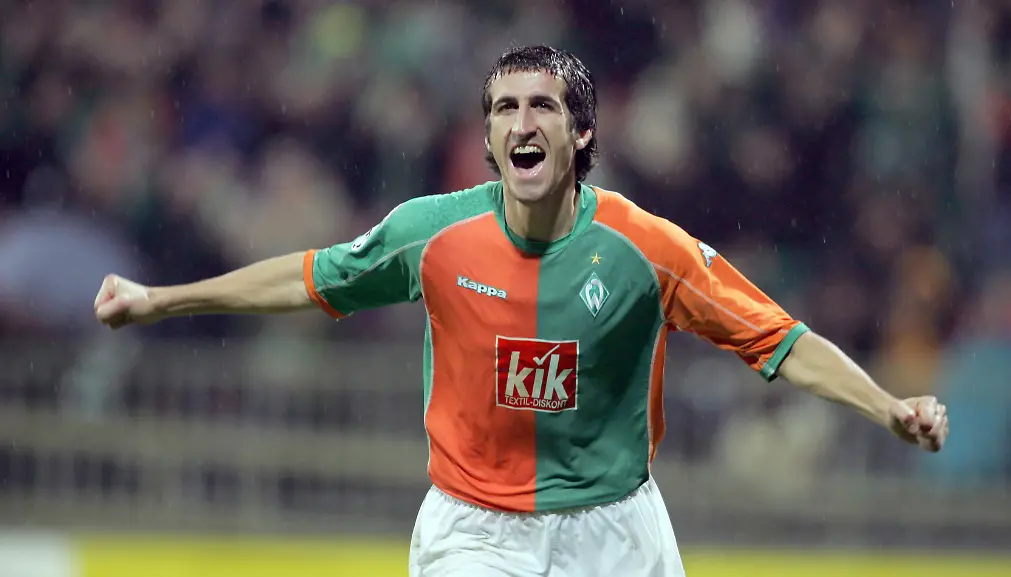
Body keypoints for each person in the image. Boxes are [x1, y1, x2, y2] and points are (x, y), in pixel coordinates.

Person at [94, 45, 950, 577]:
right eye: (505, 108)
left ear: (581, 134)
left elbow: (780, 340)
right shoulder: (434, 234)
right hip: (476, 530)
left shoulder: (646, 250)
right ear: (489, 138)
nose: (521, 121)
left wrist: (888, 407)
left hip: (618, 530)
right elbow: (313, 277)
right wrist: (162, 300)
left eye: (542, 105)